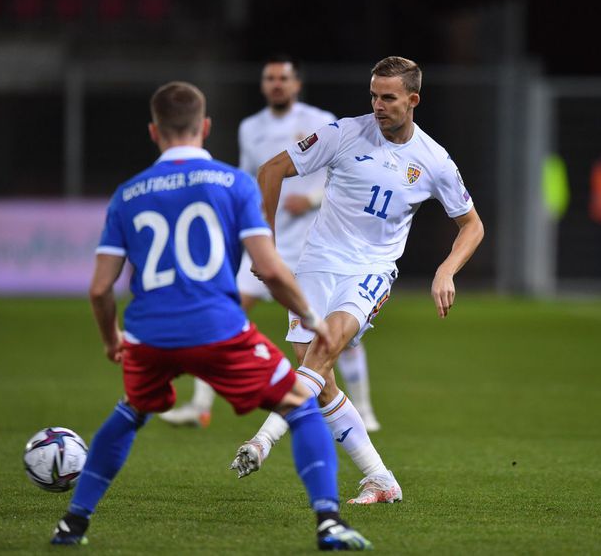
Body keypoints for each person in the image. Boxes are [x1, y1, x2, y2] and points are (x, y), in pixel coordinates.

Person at [49, 81, 372, 551]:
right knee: (301, 407)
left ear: (153, 131)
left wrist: (110, 337)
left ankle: (73, 524)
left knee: (130, 412)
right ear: (205, 127)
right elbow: (268, 268)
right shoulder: (234, 183)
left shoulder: (128, 194)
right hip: (218, 330)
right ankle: (328, 522)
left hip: (149, 334)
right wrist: (307, 313)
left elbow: (100, 288)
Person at [230, 56, 484, 505]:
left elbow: (472, 225)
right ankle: (381, 478)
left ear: (413, 99)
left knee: (326, 350)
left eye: (388, 98)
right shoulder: (344, 133)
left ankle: (262, 441)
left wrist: (446, 270)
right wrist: (264, 243)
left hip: (371, 271)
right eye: (373, 95)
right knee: (319, 377)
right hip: (316, 265)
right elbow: (271, 171)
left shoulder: (434, 160)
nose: (378, 105)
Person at [159, 55, 382, 432]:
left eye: (284, 78)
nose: (277, 84)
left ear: (297, 84)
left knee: (338, 329)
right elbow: (250, 177)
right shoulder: (251, 128)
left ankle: (364, 409)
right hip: (268, 240)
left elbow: (348, 174)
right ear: (264, 85)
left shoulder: (320, 120)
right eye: (270, 78)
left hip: (316, 245)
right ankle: (200, 406)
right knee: (226, 314)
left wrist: (310, 200)